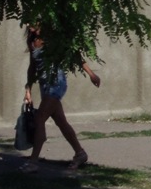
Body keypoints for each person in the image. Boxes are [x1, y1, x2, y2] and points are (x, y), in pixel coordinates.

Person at [20, 25, 101, 173]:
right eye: (28, 24)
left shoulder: (52, 37)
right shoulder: (31, 41)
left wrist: (91, 74)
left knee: (39, 120)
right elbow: (32, 67)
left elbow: (75, 55)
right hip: (45, 86)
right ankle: (80, 153)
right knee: (61, 122)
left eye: (33, 23)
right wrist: (28, 89)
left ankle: (33, 162)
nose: (30, 27)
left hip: (56, 83)